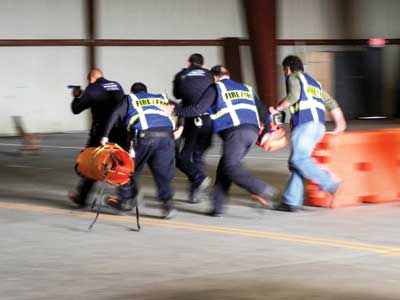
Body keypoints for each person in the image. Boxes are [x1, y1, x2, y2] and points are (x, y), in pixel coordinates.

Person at [162, 65, 277, 217]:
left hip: (236, 133)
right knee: (224, 168)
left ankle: (261, 189)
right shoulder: (246, 88)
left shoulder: (216, 88)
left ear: (214, 77)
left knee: (230, 167)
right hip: (252, 133)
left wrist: (175, 111)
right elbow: (263, 111)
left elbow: (198, 109)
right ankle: (218, 207)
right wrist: (268, 131)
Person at [271, 55, 346, 212]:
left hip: (305, 125)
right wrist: (340, 123)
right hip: (318, 126)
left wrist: (276, 109)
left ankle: (329, 183)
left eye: (284, 70)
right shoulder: (315, 84)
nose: (285, 73)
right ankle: (291, 202)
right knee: (296, 162)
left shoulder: (293, 77)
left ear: (288, 69)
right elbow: (331, 102)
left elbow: (294, 96)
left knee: (300, 159)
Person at [100, 82, 177, 219]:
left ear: (132, 92)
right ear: (147, 91)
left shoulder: (130, 99)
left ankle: (124, 201)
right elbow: (179, 109)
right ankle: (168, 205)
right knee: (161, 173)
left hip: (145, 136)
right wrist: (180, 128)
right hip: (166, 137)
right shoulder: (160, 97)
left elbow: (115, 114)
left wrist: (105, 135)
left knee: (128, 169)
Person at [69, 68, 127, 207]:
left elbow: (76, 109)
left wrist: (77, 96)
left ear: (91, 78)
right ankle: (125, 198)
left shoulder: (93, 88)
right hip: (120, 131)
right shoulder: (117, 85)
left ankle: (82, 198)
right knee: (121, 163)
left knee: (91, 162)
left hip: (101, 133)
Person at [172, 53, 214, 203]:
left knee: (183, 156)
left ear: (189, 62)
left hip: (190, 119)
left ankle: (199, 179)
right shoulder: (209, 75)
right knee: (198, 156)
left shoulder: (182, 74)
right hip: (209, 121)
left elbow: (176, 95)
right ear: (203, 64)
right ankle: (196, 192)